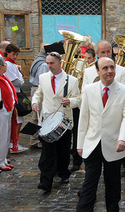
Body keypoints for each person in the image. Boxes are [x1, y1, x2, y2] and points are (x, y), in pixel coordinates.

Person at [76, 57, 125, 211]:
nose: (109, 71)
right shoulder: (89, 90)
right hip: (92, 143)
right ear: (98, 71)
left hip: (114, 144)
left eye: (112, 67)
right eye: (105, 68)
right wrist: (80, 144)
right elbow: (84, 118)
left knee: (113, 183)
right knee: (89, 183)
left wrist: (123, 139)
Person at [32, 52, 81, 192]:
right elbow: (38, 93)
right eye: (47, 63)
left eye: (52, 63)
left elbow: (79, 99)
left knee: (63, 150)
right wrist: (35, 102)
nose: (49, 66)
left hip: (64, 121)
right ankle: (45, 181)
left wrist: (70, 101)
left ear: (60, 63)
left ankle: (63, 172)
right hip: (47, 120)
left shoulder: (72, 80)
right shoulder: (43, 78)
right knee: (47, 153)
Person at [4, 44, 27, 153]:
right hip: (13, 94)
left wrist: (20, 78)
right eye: (13, 54)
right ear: (7, 53)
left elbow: (20, 80)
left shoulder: (12, 64)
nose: (15, 57)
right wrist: (20, 79)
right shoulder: (8, 64)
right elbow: (18, 81)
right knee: (15, 119)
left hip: (17, 92)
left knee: (19, 119)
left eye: (17, 54)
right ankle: (12, 143)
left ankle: (14, 142)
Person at [29, 43, 49, 148]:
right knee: (38, 117)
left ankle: (34, 140)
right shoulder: (44, 64)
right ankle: (35, 141)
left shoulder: (38, 59)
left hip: (35, 88)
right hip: (39, 89)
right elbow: (44, 81)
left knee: (36, 116)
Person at [0, 56, 18, 172]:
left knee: (6, 136)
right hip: (2, 110)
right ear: (1, 67)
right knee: (2, 136)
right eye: (5, 64)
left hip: (7, 110)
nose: (7, 65)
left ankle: (3, 159)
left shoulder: (3, 78)